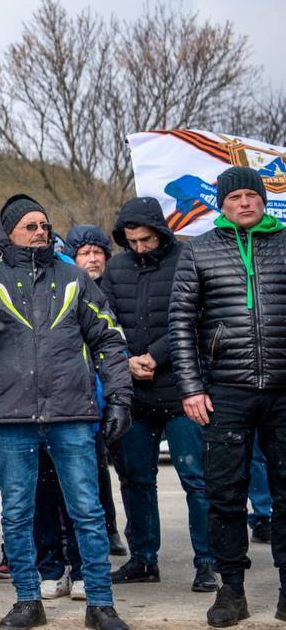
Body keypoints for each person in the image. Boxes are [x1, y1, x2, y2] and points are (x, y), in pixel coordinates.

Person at [0, 194, 134, 630]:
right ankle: (28, 600)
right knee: (17, 513)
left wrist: (120, 397)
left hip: (72, 413)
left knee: (87, 511)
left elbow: (109, 338)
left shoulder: (73, 277)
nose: (40, 232)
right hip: (11, 416)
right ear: (7, 232)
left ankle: (101, 604)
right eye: (29, 226)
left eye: (44, 225)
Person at [170, 166, 286, 628]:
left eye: (250, 195)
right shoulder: (198, 250)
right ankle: (231, 591)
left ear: (262, 199)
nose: (244, 203)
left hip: (283, 391)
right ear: (222, 204)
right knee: (225, 494)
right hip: (225, 392)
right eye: (235, 197)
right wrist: (191, 387)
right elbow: (181, 323)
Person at [98, 197, 215, 592]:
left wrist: (155, 355)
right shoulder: (116, 268)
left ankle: (207, 562)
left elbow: (195, 317)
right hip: (134, 394)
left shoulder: (186, 260)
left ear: (161, 233)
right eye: (132, 241)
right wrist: (127, 359)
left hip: (182, 390)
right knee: (135, 480)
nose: (140, 247)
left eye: (146, 240)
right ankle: (144, 558)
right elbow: (105, 321)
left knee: (196, 480)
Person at [64, 224, 127, 559]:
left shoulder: (115, 286)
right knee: (88, 470)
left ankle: (111, 528)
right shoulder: (68, 288)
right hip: (82, 393)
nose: (92, 259)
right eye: (85, 253)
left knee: (107, 469)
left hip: (115, 389)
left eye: (97, 252)